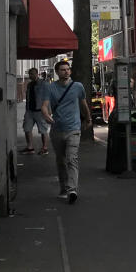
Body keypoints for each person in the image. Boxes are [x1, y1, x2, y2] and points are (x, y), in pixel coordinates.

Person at [41, 60, 91, 204]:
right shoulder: (50, 88)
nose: (66, 72)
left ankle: (72, 189)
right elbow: (44, 106)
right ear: (57, 72)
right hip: (57, 130)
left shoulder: (77, 87)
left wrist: (88, 119)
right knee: (61, 161)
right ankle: (63, 188)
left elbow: (83, 104)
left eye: (68, 69)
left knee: (71, 158)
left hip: (73, 129)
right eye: (63, 70)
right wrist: (46, 116)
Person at [21, 67, 50, 155]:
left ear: (37, 74)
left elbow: (48, 97)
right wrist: (27, 109)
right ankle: (30, 148)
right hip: (30, 111)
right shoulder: (29, 84)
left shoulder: (44, 84)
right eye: (30, 74)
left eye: (33, 73)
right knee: (27, 128)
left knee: (43, 130)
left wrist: (48, 111)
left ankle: (45, 148)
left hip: (40, 111)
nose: (31, 75)